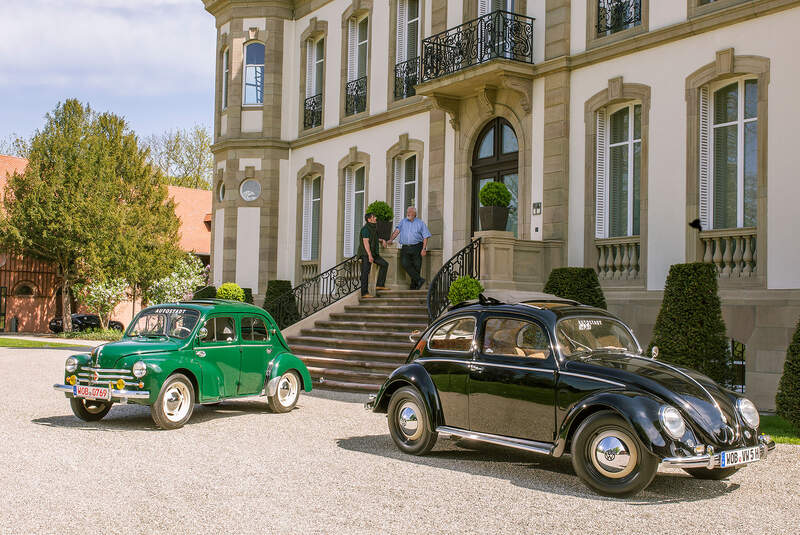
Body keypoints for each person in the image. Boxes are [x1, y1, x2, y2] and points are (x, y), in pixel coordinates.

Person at [388, 206, 432, 290]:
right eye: (407, 211)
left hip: (417, 246)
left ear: (414, 214)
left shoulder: (420, 223)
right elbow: (397, 231)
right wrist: (391, 239)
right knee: (404, 263)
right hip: (405, 247)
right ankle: (419, 280)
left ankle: (414, 286)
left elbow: (426, 236)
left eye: (410, 212)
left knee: (417, 266)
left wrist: (424, 249)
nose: (408, 213)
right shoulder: (403, 222)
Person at [358, 212, 389, 298]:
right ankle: (364, 293)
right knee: (365, 272)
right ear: (369, 219)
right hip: (366, 254)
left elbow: (374, 238)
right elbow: (366, 242)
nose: (375, 218)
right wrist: (369, 255)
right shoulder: (365, 229)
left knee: (385, 264)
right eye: (373, 217)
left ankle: (380, 284)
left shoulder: (373, 228)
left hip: (373, 253)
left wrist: (382, 240)